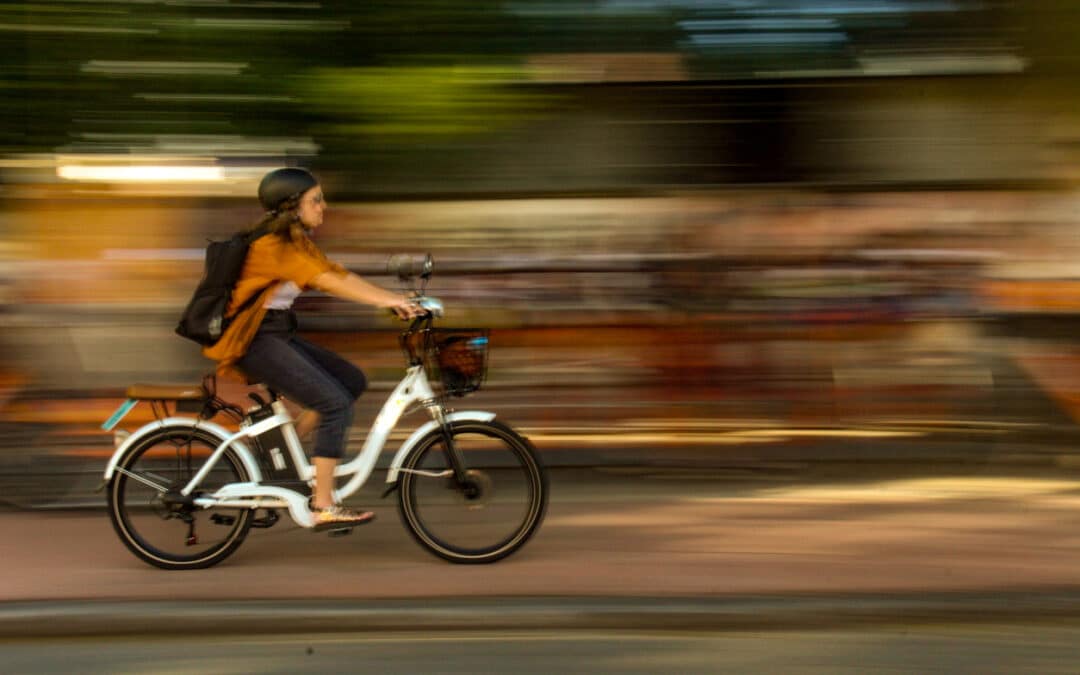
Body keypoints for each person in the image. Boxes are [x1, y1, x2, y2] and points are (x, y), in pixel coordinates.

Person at [203, 167, 422, 528]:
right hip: (254, 339)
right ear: (292, 206)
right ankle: (322, 505)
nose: (324, 206)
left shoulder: (295, 242)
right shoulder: (273, 247)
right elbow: (327, 282)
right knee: (334, 404)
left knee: (350, 382)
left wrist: (396, 298)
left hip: (274, 333)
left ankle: (279, 460)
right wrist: (389, 302)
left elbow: (336, 273)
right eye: (316, 200)